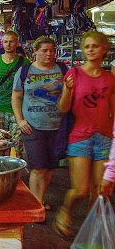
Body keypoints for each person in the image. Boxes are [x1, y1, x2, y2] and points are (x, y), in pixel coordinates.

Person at [54, 30, 115, 238]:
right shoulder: (74, 73)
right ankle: (66, 210)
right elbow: (63, 108)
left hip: (105, 138)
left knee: (100, 191)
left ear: (104, 50)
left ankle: (91, 229)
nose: (90, 50)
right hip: (80, 137)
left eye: (95, 46)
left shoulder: (109, 78)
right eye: (87, 46)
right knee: (80, 190)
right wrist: (67, 91)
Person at [12, 36, 66, 211]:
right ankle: (37, 205)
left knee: (49, 168)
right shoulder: (25, 71)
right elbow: (16, 96)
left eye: (52, 50)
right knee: (37, 168)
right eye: (44, 50)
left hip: (57, 126)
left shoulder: (62, 69)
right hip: (33, 126)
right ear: (35, 51)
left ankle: (39, 198)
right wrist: (20, 120)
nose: (49, 54)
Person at [0, 31, 30, 156]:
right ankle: (1, 173)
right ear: (2, 44)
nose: (8, 44)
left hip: (18, 111)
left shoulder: (25, 63)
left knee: (18, 145)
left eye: (11, 41)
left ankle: (16, 174)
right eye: (5, 42)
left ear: (17, 43)